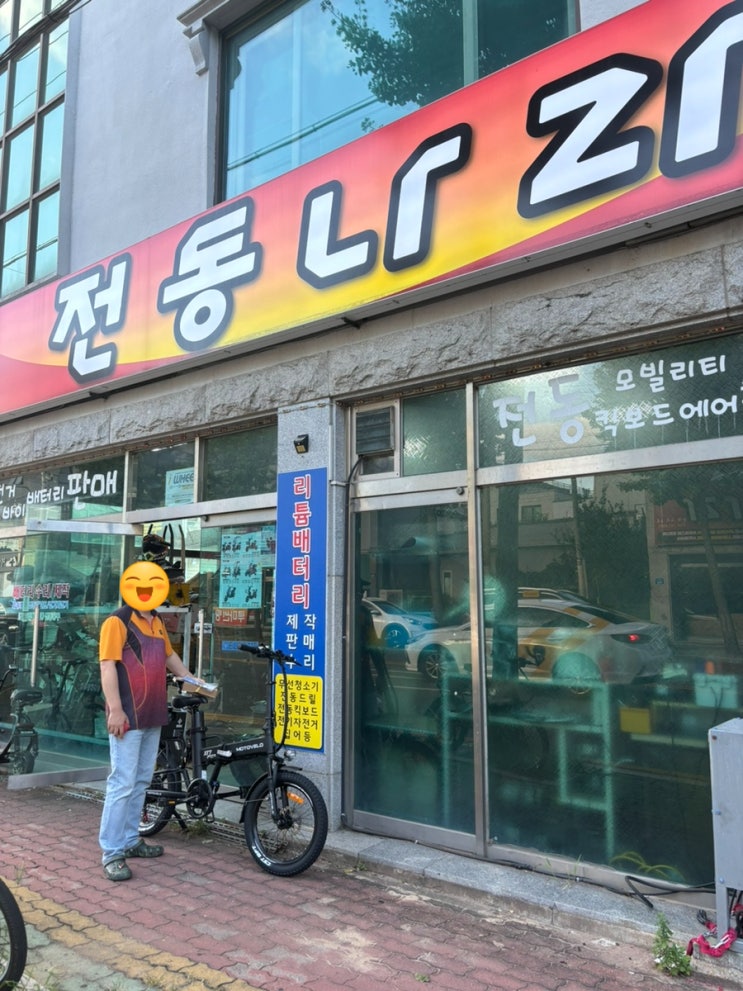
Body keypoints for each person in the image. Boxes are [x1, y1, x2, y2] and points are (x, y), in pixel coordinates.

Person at [98, 560, 203, 881]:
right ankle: (112, 852)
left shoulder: (156, 620)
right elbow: (107, 666)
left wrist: (190, 678)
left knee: (142, 780)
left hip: (153, 713)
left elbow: (169, 656)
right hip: (128, 715)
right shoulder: (117, 622)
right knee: (122, 782)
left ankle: (131, 840)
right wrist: (116, 709)